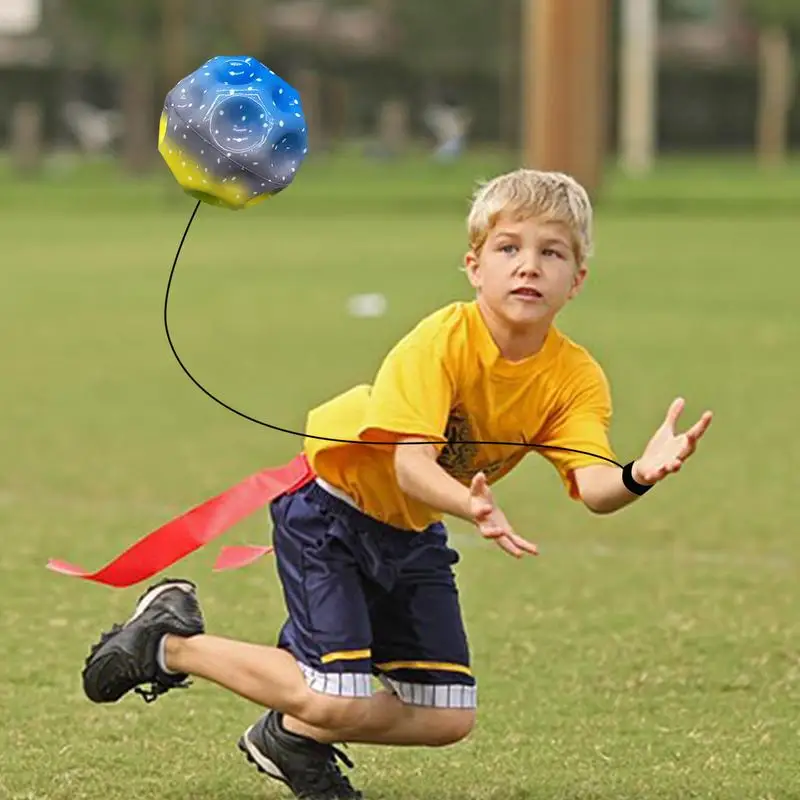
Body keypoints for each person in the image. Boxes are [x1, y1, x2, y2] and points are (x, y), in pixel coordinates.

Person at [81, 169, 713, 800]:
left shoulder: (574, 376)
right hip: (331, 510)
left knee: (448, 717)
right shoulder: (439, 341)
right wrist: (471, 506)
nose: (529, 266)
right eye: (509, 248)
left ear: (576, 281)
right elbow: (412, 466)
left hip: (410, 532)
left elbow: (595, 484)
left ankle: (291, 737)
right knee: (335, 692)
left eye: (551, 253)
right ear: (474, 266)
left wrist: (639, 474)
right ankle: (168, 643)